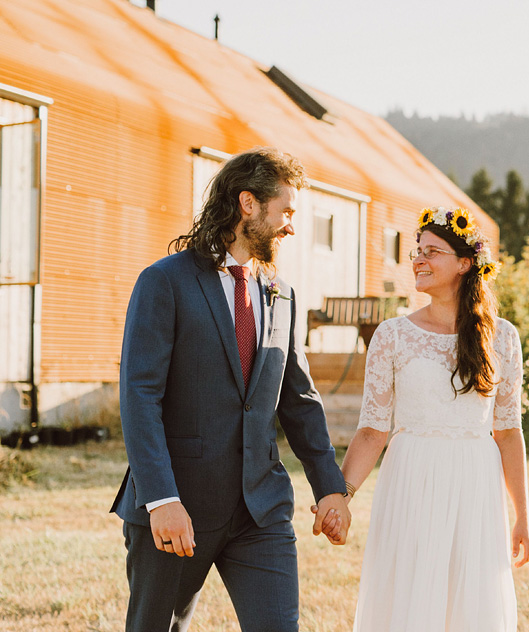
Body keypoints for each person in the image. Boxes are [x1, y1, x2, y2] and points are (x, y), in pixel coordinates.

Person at [112, 146, 352, 631]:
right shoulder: (165, 282)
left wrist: (331, 489)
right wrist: (161, 499)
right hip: (178, 509)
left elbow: (299, 401)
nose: (290, 226)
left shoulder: (282, 293)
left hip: (261, 511)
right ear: (248, 204)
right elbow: (140, 396)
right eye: (285, 210)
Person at [340, 206, 529, 631]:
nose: (418, 260)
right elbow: (372, 431)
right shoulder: (391, 335)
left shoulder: (502, 337)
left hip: (475, 482)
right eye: (416, 251)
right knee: (409, 595)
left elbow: (508, 432)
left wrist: (522, 516)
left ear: (465, 264)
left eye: (432, 251)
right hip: (411, 477)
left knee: (469, 598)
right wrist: (342, 496)